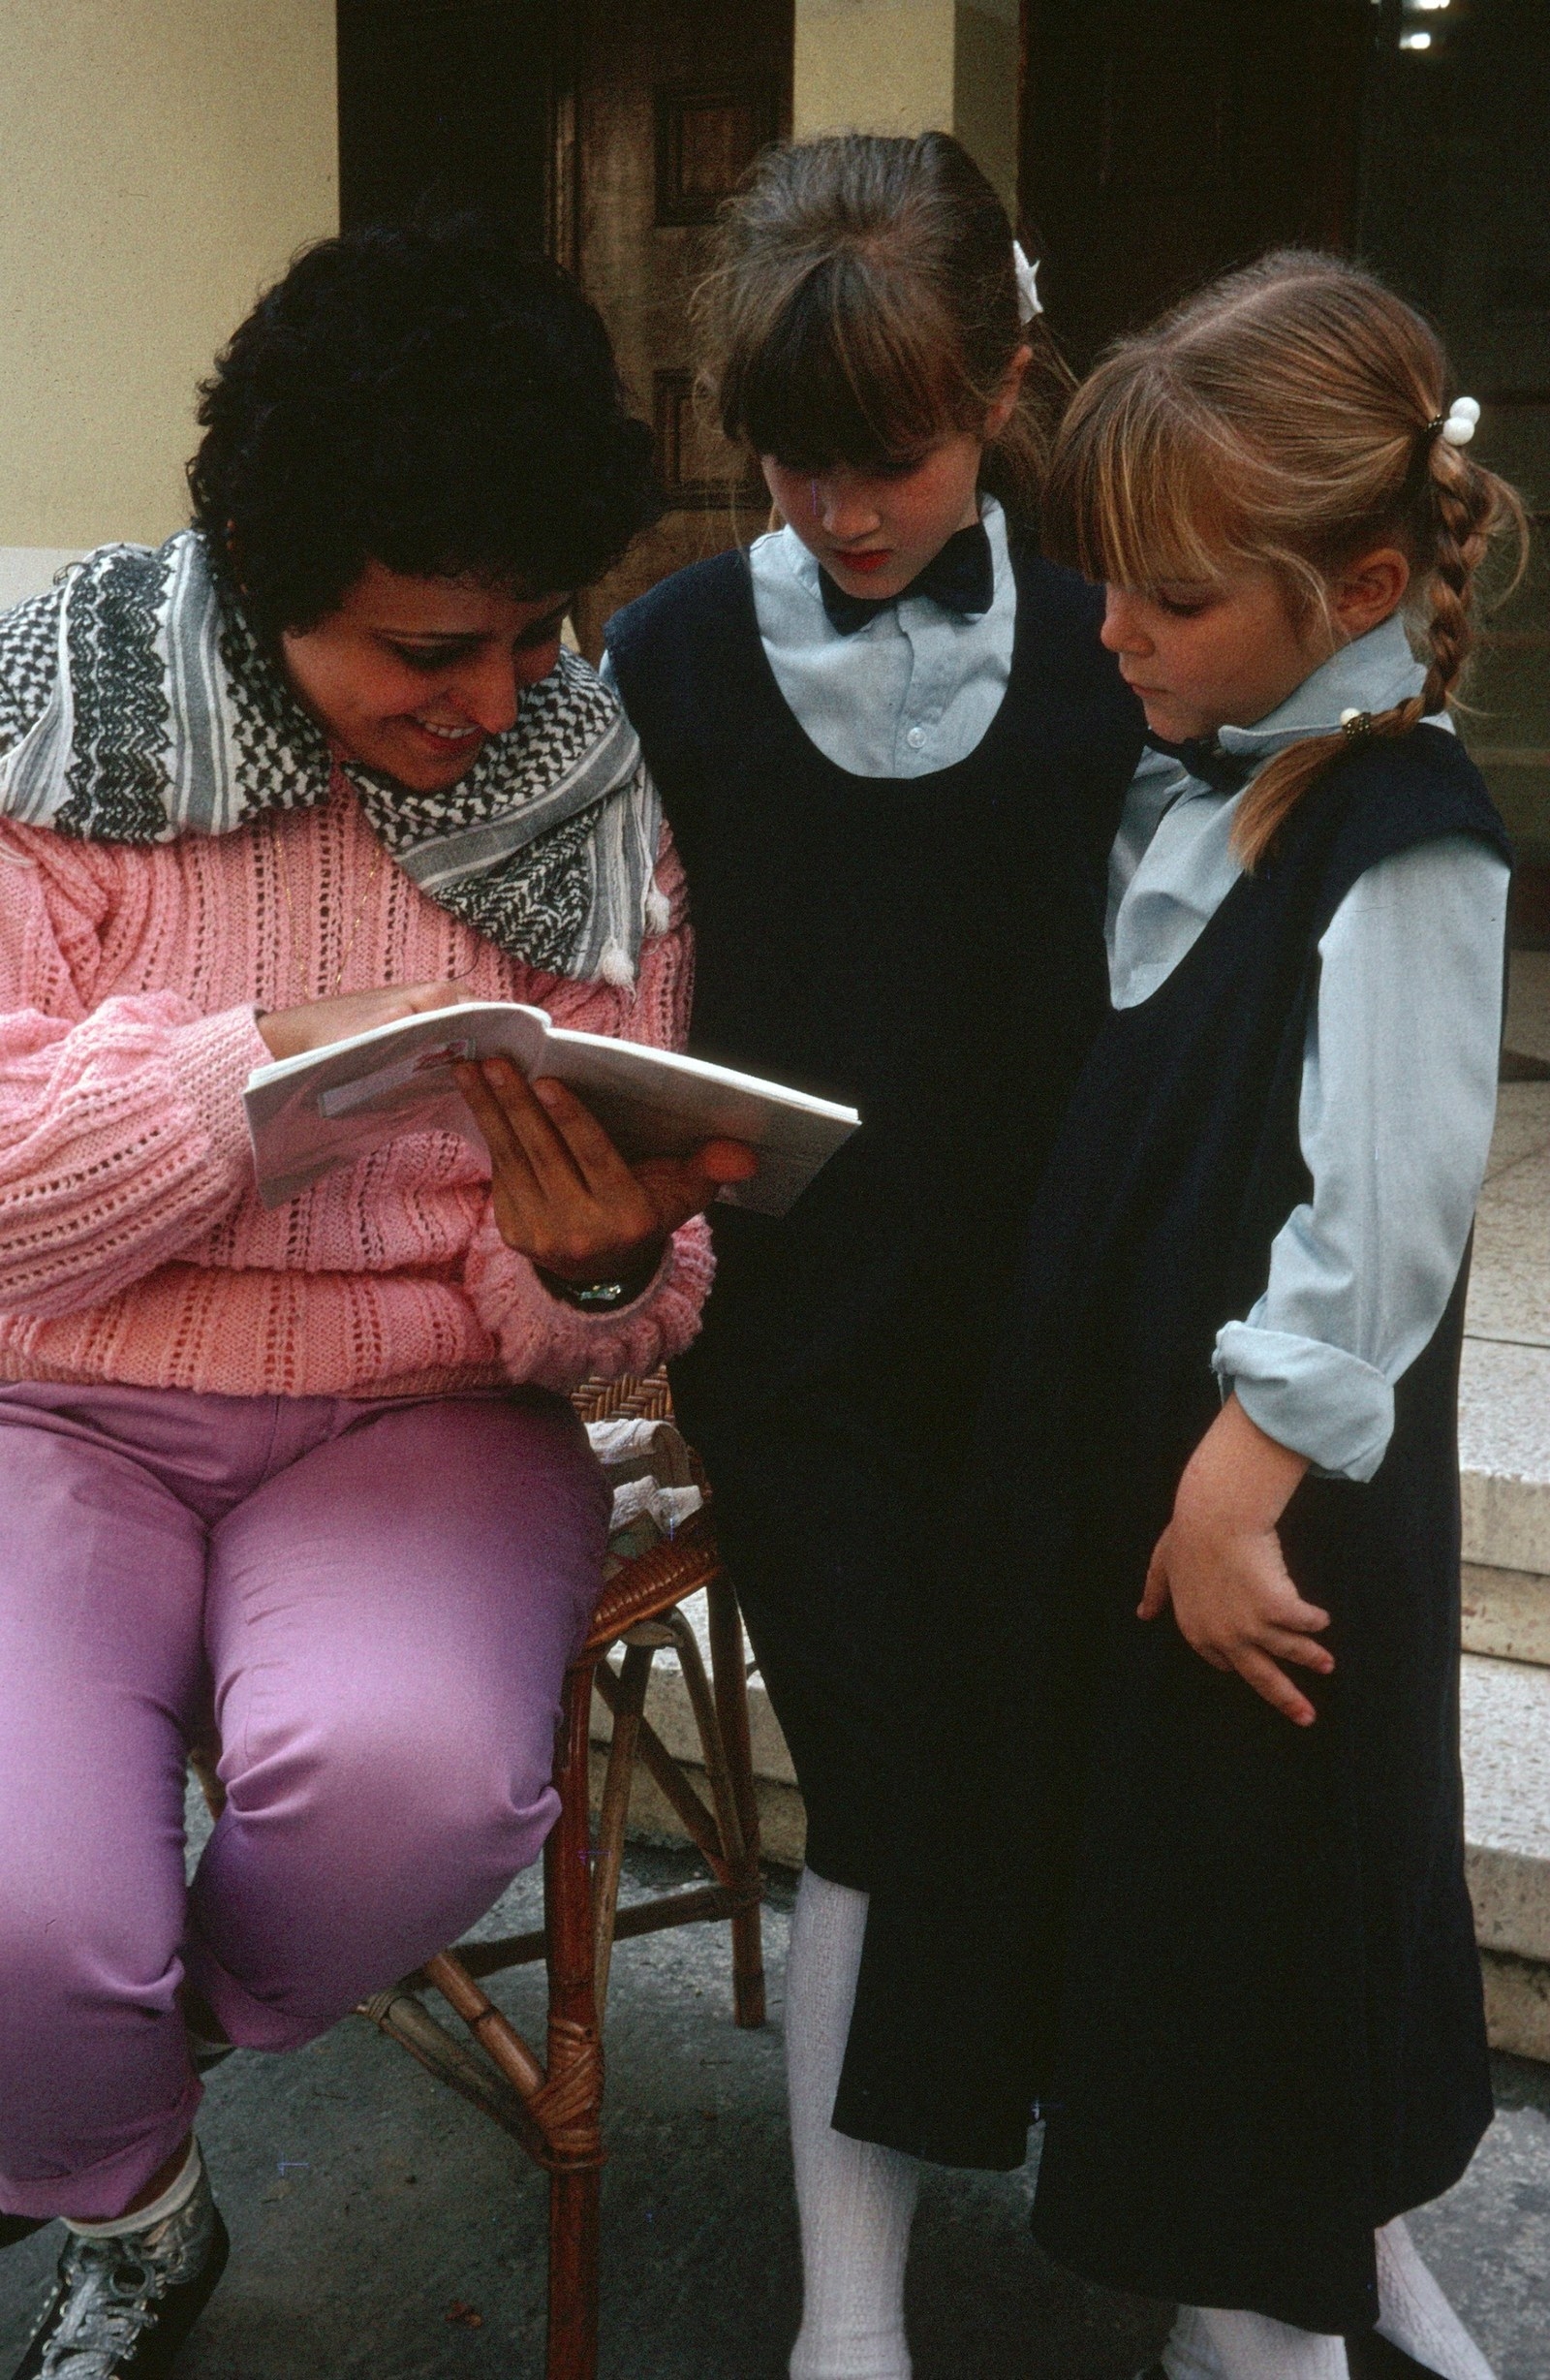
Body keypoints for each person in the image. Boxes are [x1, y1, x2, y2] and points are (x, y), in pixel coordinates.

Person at [0, 218, 752, 2377]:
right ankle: (130, 2180)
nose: (496, 702)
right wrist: (261, 1062)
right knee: (23, 1898)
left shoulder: (578, 792)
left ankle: (92, 2091)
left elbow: (632, 1311)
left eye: (527, 636)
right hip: (55, 1403)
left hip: (427, 1412)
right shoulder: (48, 714)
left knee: (412, 1785)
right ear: (259, 570)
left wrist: (598, 1261)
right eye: (426, 649)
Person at [834, 253, 1524, 2380]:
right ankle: (1299, 2242)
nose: (1112, 629)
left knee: (1251, 1924)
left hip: (1259, 1517)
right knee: (1154, 1892)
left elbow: (1381, 1216)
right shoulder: (1217, 777)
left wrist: (1235, 1486)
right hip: (1136, 1480)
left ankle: (1265, 2298)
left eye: (1170, 598)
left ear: (1360, 586)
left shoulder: (1397, 839)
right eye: (1103, 583)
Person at [602, 132, 1146, 2380]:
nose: (838, 519)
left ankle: (1244, 2230)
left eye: (892, 466)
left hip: (1071, 1306)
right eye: (797, 468)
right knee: (893, 1767)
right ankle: (848, 2308)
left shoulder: (1128, 623)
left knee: (1118, 1747)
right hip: (801, 1331)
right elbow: (616, 990)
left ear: (1008, 379)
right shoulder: (664, 652)